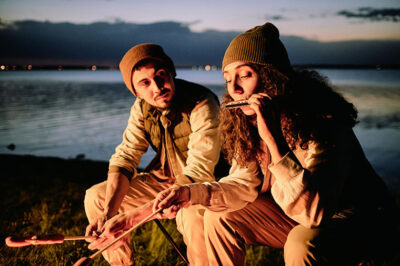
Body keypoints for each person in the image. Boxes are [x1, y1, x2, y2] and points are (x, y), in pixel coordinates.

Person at [153, 22, 399, 265]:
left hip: (359, 218)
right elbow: (242, 183)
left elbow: (312, 213)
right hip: (298, 215)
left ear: (272, 77)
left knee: (301, 242)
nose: (235, 89)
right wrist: (190, 193)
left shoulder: (322, 121)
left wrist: (273, 139)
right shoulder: (247, 125)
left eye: (245, 75)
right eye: (228, 79)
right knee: (219, 217)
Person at [84, 43, 223, 265]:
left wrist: (133, 218)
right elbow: (126, 156)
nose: (157, 87)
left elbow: (200, 170)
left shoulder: (201, 103)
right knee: (97, 197)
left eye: (160, 76)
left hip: (204, 184)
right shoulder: (141, 107)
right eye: (145, 83)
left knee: (192, 216)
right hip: (164, 180)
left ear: (172, 73)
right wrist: (109, 213)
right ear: (135, 90)